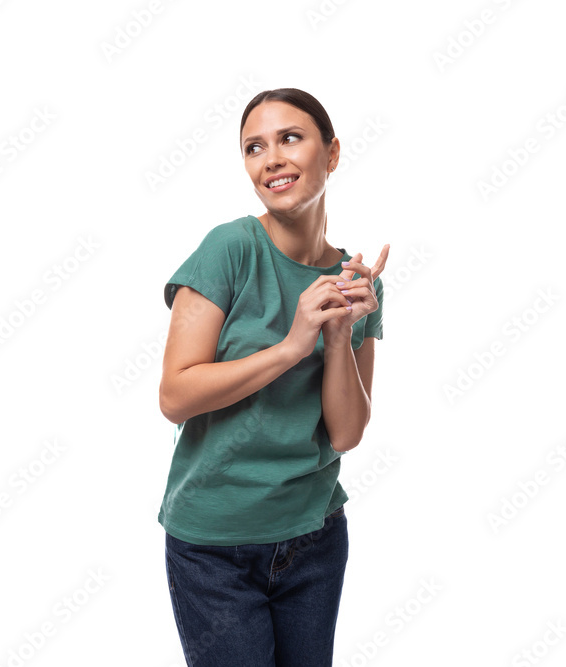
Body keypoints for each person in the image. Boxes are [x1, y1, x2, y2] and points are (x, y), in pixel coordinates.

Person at [157, 87, 389, 667]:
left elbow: (345, 434)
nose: (271, 159)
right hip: (215, 546)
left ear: (332, 153)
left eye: (291, 138)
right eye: (254, 148)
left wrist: (339, 334)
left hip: (314, 535)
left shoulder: (358, 284)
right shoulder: (231, 248)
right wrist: (292, 345)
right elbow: (175, 394)